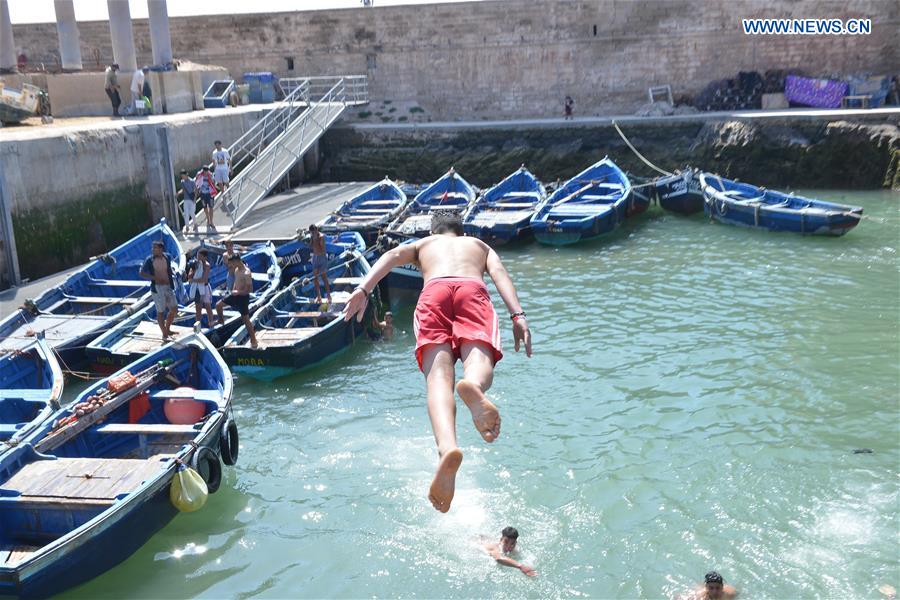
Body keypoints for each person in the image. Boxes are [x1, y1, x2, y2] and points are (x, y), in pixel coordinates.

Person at [343, 211, 532, 513]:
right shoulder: (480, 247)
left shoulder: (423, 245)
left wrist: (363, 289)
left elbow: (391, 256)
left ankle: (447, 448)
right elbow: (500, 275)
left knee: (438, 379)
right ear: (461, 231)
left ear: (434, 230)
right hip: (473, 290)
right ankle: (474, 385)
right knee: (478, 359)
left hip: (434, 292)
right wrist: (518, 316)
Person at [217, 254, 258, 348]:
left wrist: (238, 292)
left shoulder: (246, 272)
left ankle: (253, 340)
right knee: (218, 305)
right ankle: (221, 321)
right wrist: (233, 291)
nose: (231, 265)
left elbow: (249, 290)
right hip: (235, 295)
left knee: (246, 320)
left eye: (231, 263)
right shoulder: (236, 270)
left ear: (236, 261)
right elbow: (236, 281)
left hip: (243, 298)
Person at [139, 240, 179, 339]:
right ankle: (164, 333)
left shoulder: (167, 257)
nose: (153, 250)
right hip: (157, 288)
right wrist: (155, 278)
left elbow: (169, 269)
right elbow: (142, 273)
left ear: (160, 249)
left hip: (168, 286)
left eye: (155, 248)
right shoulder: (150, 260)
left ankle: (167, 328)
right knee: (160, 311)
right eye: (152, 248)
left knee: (174, 309)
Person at [187, 249, 214, 328]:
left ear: (205, 257)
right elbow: (189, 276)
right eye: (197, 255)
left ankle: (211, 323)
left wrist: (193, 280)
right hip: (197, 289)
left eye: (200, 256)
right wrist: (193, 269)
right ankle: (198, 326)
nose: (198, 257)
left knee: (208, 306)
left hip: (205, 287)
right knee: (198, 308)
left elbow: (204, 279)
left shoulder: (207, 265)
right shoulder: (195, 264)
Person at [309, 224, 331, 304]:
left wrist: (316, 241)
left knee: (324, 277)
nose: (313, 234)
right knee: (315, 278)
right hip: (315, 258)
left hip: (322, 258)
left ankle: (329, 296)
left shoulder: (321, 237)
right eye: (312, 233)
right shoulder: (312, 236)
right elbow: (311, 247)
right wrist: (311, 240)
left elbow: (322, 250)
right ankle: (319, 297)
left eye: (314, 232)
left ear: (316, 230)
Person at [195, 165, 218, 233]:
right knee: (205, 208)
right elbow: (196, 183)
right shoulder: (199, 174)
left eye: (207, 170)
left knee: (211, 207)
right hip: (202, 194)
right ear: (203, 170)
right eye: (204, 171)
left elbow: (214, 182)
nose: (205, 172)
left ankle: (211, 221)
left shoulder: (210, 174)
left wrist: (211, 178)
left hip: (210, 193)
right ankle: (208, 219)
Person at [176, 169, 198, 235]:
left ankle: (195, 224)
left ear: (186, 175)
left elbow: (196, 190)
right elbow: (183, 190)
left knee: (192, 212)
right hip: (186, 199)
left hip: (192, 199)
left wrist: (195, 199)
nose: (182, 177)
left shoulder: (192, 181)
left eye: (183, 176)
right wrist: (178, 193)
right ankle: (187, 227)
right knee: (186, 213)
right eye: (181, 176)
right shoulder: (182, 182)